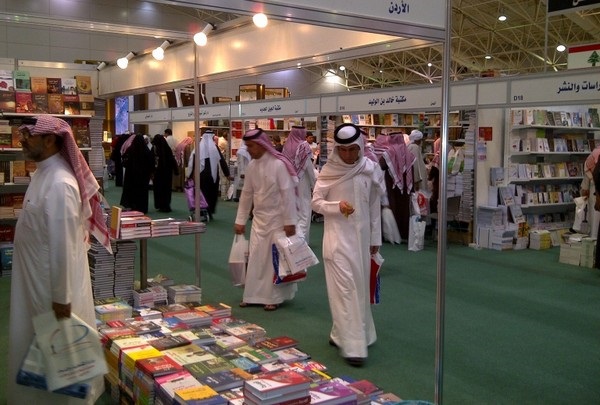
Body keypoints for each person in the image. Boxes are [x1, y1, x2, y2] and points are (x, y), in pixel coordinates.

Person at [8, 115, 112, 404]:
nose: (22, 139)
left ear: (50, 139)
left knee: (61, 356)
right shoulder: (44, 174)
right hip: (36, 281)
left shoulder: (60, 183)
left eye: (29, 134)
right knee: (37, 347)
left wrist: (61, 298)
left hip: (51, 289)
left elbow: (62, 246)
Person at [311, 123, 383, 367]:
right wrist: (336, 207)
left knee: (359, 289)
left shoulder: (369, 168)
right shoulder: (329, 171)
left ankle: (340, 333)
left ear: (360, 147)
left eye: (352, 149)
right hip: (337, 241)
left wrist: (375, 239)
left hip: (361, 242)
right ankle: (354, 346)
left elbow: (374, 205)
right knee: (346, 289)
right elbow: (316, 202)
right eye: (343, 150)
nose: (348, 155)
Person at [234, 128, 299, 311]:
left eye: (251, 146)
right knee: (255, 256)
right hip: (259, 220)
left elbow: (287, 194)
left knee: (274, 260)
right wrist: (240, 220)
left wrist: (290, 222)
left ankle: (273, 297)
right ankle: (252, 295)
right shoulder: (252, 166)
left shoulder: (278, 165)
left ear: (262, 145)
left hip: (278, 220)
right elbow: (246, 194)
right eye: (247, 146)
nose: (249, 150)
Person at [378, 132, 415, 241]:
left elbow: (381, 165)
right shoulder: (408, 152)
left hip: (392, 185)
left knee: (394, 207)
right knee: (404, 209)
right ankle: (404, 233)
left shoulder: (389, 153)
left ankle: (394, 234)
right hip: (406, 185)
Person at [185, 130, 230, 219]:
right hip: (213, 176)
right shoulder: (215, 148)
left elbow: (192, 162)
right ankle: (209, 212)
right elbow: (222, 161)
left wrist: (189, 175)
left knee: (202, 194)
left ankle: (202, 211)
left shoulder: (198, 147)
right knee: (211, 194)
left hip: (201, 176)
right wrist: (227, 174)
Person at [282, 126, 316, 241]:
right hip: (302, 181)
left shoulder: (287, 145)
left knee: (294, 212)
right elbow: (308, 167)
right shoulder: (303, 145)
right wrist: (314, 185)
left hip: (289, 181)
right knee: (305, 213)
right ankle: (301, 243)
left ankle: (292, 241)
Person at [120, 134, 155, 213]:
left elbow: (124, 159)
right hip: (143, 176)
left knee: (132, 191)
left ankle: (133, 206)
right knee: (143, 192)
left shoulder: (131, 149)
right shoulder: (146, 150)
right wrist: (151, 173)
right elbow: (150, 163)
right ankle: (142, 208)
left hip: (131, 175)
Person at [152, 134, 179, 212]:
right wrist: (176, 171)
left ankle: (160, 205)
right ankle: (166, 205)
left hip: (158, 174)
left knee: (158, 190)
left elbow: (151, 161)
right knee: (166, 190)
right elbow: (172, 160)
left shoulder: (155, 149)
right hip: (167, 174)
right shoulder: (167, 149)